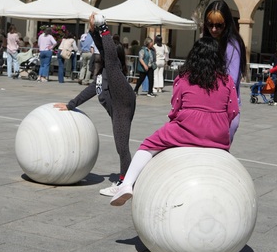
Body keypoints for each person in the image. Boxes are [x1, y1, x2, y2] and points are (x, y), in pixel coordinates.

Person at [108, 37, 240, 206]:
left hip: (187, 128)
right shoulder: (226, 80)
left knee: (148, 145)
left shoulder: (185, 78)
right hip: (218, 133)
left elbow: (176, 107)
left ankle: (126, 184)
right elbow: (233, 111)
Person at [54, 13, 136, 196]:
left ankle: (125, 183)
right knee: (120, 145)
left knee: (121, 146)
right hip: (117, 107)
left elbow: (110, 56)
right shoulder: (103, 75)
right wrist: (71, 104)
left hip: (123, 104)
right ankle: (127, 178)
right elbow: (92, 89)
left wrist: (102, 27)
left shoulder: (113, 72)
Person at [202, 0, 246, 140]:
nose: (214, 29)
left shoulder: (232, 45)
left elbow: (231, 80)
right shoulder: (208, 42)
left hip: (224, 108)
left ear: (226, 23)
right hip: (206, 105)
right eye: (210, 24)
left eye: (218, 25)